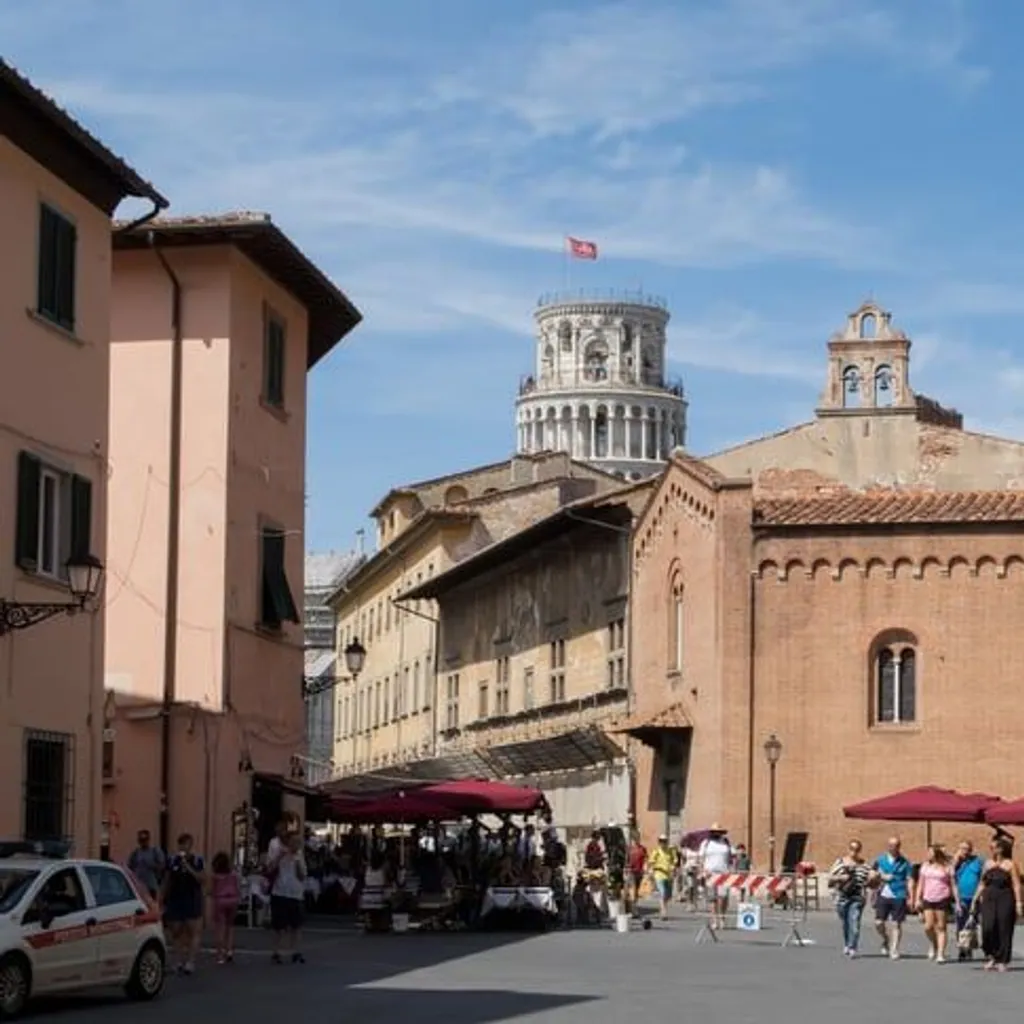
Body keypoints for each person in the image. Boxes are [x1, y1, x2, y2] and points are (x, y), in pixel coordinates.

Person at [971, 836, 1023, 972]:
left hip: (1005, 898)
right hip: (988, 897)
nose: (990, 849)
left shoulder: (1011, 864)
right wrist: (975, 899)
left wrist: (1018, 903)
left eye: (992, 847)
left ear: (1000, 849)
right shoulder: (987, 864)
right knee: (987, 927)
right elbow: (982, 883)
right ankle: (991, 955)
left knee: (1004, 928)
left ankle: (1002, 960)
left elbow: (1016, 885)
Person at [162, 833, 205, 975]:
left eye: (185, 844)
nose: (183, 847)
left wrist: (188, 866)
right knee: (176, 931)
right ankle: (178, 961)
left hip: (192, 898)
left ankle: (190, 962)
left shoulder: (197, 860)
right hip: (175, 898)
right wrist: (162, 898)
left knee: (194, 931)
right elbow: (167, 880)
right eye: (180, 844)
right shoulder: (172, 860)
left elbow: (201, 878)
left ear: (190, 845)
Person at [912, 844, 956, 963]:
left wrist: (957, 899)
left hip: (942, 898)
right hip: (928, 898)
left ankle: (940, 954)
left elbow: (953, 884)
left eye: (930, 852)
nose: (928, 854)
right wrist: (917, 899)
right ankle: (934, 944)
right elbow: (921, 883)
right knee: (928, 926)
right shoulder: (925, 866)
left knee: (941, 926)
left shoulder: (947, 867)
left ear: (936, 853)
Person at [828, 839, 871, 957]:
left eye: (857, 850)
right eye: (852, 849)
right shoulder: (840, 862)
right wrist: (841, 877)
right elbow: (830, 877)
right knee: (845, 922)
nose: (854, 852)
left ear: (860, 850)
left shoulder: (864, 865)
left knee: (855, 922)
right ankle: (847, 943)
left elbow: (869, 881)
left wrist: (873, 879)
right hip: (842, 896)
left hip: (857, 897)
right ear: (848, 849)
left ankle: (853, 947)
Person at [269, 831, 307, 964]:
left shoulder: (300, 856)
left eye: (299, 842)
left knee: (296, 926)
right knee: (279, 926)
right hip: (280, 892)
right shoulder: (280, 852)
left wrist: (297, 863)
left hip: (296, 894)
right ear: (289, 842)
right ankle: (276, 952)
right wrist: (280, 856)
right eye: (294, 841)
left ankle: (295, 951)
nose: (297, 844)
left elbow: (302, 876)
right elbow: (270, 868)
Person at [872, 836, 913, 960]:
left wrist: (910, 896)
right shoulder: (880, 860)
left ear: (899, 847)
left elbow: (909, 879)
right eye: (890, 845)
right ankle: (886, 939)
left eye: (895, 845)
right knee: (878, 922)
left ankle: (894, 949)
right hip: (883, 893)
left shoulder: (904, 862)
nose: (892, 848)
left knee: (896, 924)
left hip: (899, 893)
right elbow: (871, 875)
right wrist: (881, 876)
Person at [698, 824, 733, 931]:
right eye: (714, 831)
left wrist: (731, 869)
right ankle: (715, 920)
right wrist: (703, 870)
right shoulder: (706, 843)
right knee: (712, 898)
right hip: (710, 874)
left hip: (724, 873)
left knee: (723, 897)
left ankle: (722, 917)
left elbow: (731, 857)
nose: (716, 833)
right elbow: (701, 858)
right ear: (711, 832)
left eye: (719, 831)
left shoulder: (726, 842)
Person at [953, 840, 983, 961]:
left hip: (974, 897)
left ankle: (968, 948)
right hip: (960, 897)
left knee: (971, 924)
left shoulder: (977, 862)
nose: (964, 851)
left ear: (971, 850)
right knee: (960, 923)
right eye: (962, 848)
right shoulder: (956, 863)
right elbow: (949, 875)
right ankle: (961, 949)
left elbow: (982, 879)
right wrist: (956, 862)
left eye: (967, 849)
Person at [210, 851, 241, 965]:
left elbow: (212, 890)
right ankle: (229, 951)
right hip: (232, 899)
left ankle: (220, 955)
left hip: (220, 900)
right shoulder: (233, 875)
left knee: (220, 928)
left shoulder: (216, 876)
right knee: (230, 927)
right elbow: (238, 887)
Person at [127, 829, 165, 901]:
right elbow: (130, 867)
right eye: (141, 840)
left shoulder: (155, 851)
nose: (143, 842)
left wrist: (152, 865)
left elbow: (162, 866)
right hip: (138, 886)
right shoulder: (136, 853)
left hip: (151, 886)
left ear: (148, 839)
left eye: (145, 839)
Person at [648, 835, 678, 921]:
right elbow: (651, 862)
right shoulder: (656, 851)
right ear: (659, 842)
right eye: (661, 841)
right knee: (663, 892)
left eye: (664, 841)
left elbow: (675, 861)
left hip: (668, 875)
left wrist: (673, 867)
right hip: (659, 874)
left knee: (668, 895)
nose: (663, 843)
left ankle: (663, 906)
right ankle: (663, 912)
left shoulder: (670, 851)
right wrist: (655, 868)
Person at [626, 834, 648, 911]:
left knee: (637, 890)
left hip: (639, 872)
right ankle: (634, 909)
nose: (636, 841)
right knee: (633, 889)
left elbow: (645, 859)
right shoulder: (629, 849)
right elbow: (626, 860)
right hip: (631, 871)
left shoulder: (643, 849)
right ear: (632, 840)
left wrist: (645, 868)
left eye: (637, 839)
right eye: (634, 839)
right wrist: (627, 868)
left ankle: (633, 905)